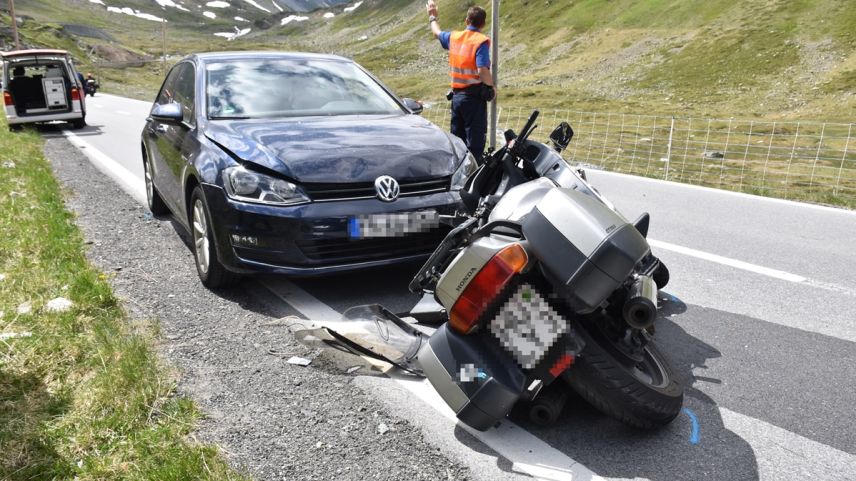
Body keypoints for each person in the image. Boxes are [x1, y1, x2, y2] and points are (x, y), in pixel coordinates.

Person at [426, 1, 495, 161]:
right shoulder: (480, 41)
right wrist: (491, 87)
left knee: (457, 141)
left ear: (466, 21)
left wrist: (432, 16)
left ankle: (458, 175)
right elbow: (482, 69)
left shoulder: (454, 37)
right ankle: (474, 177)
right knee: (475, 143)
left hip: (457, 98)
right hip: (474, 100)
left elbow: (436, 33)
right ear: (483, 24)